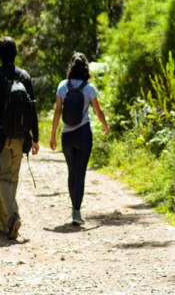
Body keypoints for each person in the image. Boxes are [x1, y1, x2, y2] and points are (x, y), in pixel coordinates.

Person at [0, 36, 40, 240]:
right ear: (15, 54)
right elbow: (33, 109)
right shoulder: (24, 76)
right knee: (11, 179)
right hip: (21, 138)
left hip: (1, 137)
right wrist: (36, 138)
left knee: (2, 178)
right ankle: (4, 225)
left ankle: (14, 217)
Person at [50, 52, 110, 226]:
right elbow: (98, 111)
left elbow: (57, 111)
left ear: (70, 67)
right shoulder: (89, 88)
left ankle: (74, 207)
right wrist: (106, 127)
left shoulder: (62, 86)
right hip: (83, 134)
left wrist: (52, 135)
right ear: (85, 68)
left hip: (67, 136)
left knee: (71, 172)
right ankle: (77, 211)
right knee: (81, 173)